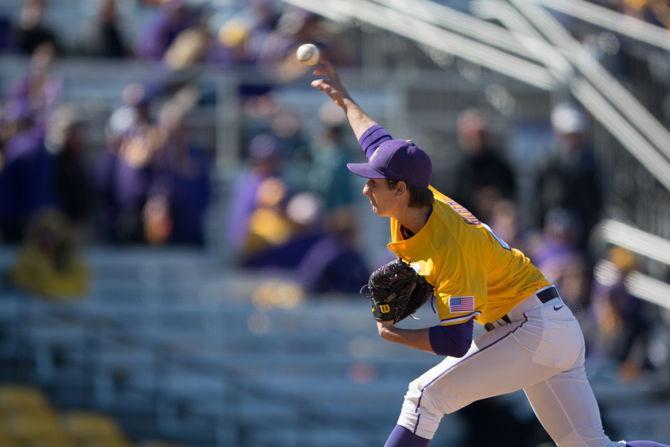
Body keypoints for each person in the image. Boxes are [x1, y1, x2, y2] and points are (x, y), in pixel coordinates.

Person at [309, 60, 669, 447]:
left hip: (531, 328)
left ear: (399, 189)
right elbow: (375, 138)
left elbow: (456, 342)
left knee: (424, 397)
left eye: (374, 183)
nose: (366, 189)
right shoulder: (416, 194)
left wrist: (394, 334)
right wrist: (345, 100)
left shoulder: (449, 249)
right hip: (551, 324)